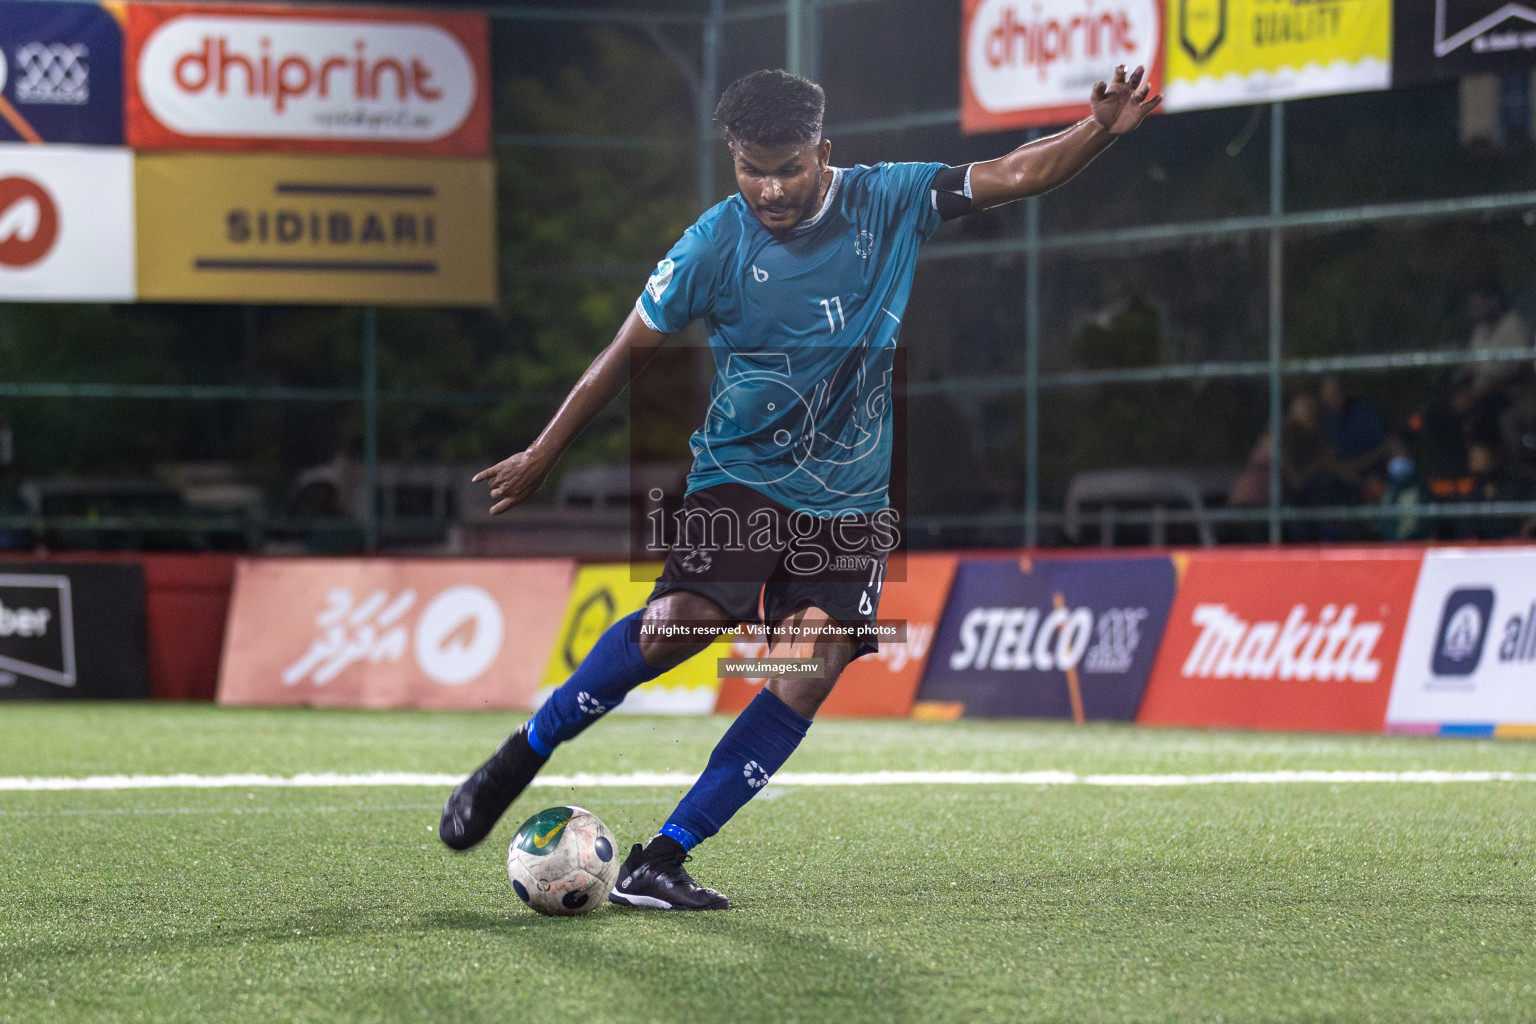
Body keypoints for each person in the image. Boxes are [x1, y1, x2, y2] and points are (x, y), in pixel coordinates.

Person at [440, 67, 1160, 909]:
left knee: (808, 664)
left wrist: (1097, 131)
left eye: (787, 167)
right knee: (682, 625)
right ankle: (523, 753)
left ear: (825, 153)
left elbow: (1015, 173)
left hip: (851, 500)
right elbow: (624, 351)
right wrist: (543, 452)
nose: (769, 188)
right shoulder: (713, 242)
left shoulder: (889, 201)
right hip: (740, 477)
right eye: (751, 168)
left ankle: (661, 858)